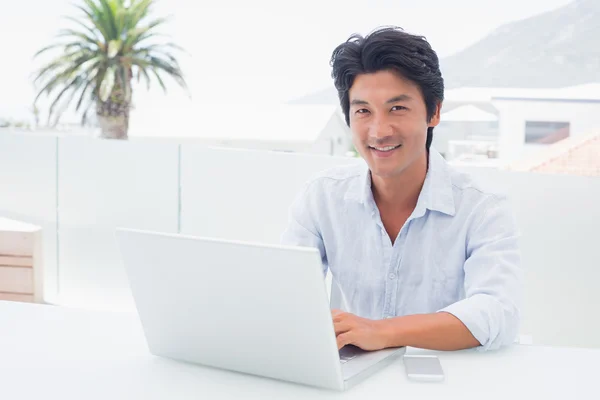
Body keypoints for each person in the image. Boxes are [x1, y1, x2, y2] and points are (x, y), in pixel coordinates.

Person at [281, 26, 522, 352]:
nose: (379, 131)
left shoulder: (483, 207)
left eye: (397, 108)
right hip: (357, 381)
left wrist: (383, 332)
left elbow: (497, 313)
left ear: (434, 112)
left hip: (453, 379)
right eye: (363, 111)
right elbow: (287, 296)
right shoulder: (321, 197)